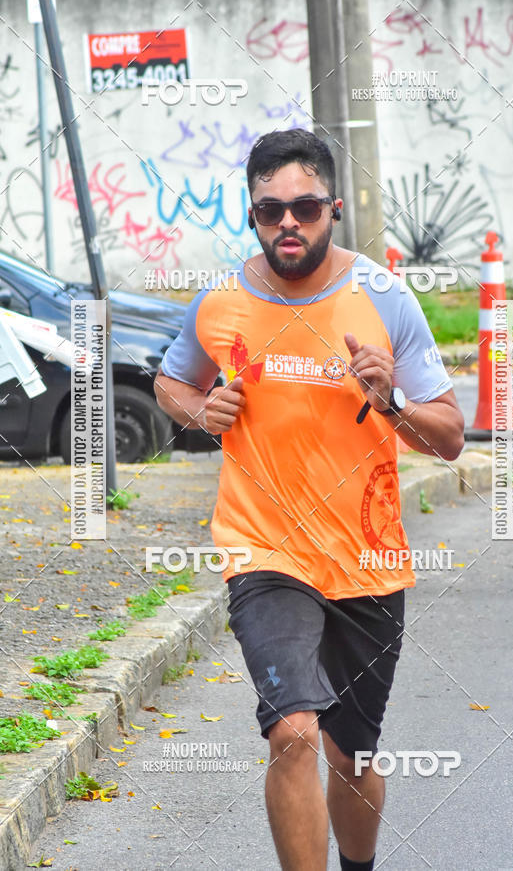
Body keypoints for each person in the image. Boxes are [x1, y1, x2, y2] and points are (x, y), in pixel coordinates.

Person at [154, 129, 464, 871]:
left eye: (304, 207)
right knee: (291, 729)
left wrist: (389, 403)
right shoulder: (221, 300)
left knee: (350, 755)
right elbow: (172, 380)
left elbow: (449, 436)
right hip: (263, 551)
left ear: (331, 208)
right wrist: (200, 411)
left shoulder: (384, 300)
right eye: (269, 210)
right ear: (253, 213)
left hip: (366, 560)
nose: (287, 223)